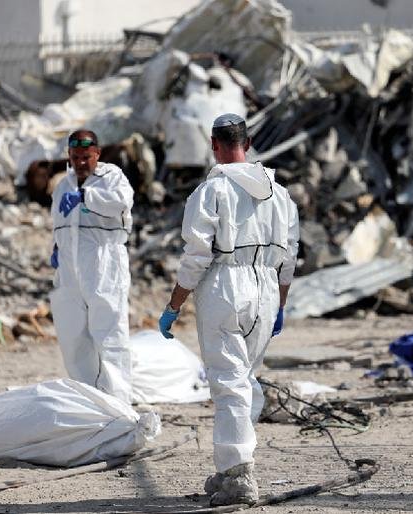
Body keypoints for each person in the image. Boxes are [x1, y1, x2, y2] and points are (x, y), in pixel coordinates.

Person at [158, 113, 300, 506]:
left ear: (215, 146)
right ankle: (231, 466)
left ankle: (238, 475)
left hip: (225, 285)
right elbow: (289, 256)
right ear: (249, 144)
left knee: (229, 382)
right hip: (267, 287)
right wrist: (281, 304)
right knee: (244, 380)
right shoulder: (280, 193)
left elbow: (197, 255)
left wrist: (174, 304)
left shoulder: (211, 191)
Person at [49, 129, 134, 404]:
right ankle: (90, 400)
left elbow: (121, 202)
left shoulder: (111, 178)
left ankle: (118, 403)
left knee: (109, 333)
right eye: (75, 157)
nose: (81, 162)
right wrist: (56, 248)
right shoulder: (64, 184)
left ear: (97, 154)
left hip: (103, 263)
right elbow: (59, 222)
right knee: (73, 336)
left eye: (86, 157)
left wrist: (87, 198)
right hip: (70, 268)